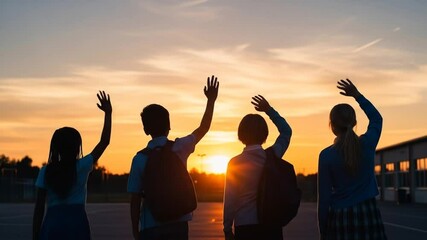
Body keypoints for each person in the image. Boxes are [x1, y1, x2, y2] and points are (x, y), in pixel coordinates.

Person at [128, 75, 219, 240]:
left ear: (145, 129)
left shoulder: (140, 159)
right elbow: (204, 127)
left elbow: (135, 200)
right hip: (178, 224)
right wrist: (211, 100)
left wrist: (136, 231)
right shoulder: (179, 148)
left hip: (151, 226)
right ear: (169, 126)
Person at [32, 91, 112, 240]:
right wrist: (108, 114)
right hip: (76, 222)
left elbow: (39, 208)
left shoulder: (46, 171)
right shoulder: (82, 166)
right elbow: (104, 142)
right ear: (77, 147)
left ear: (55, 148)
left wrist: (35, 235)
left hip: (53, 223)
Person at [317, 79, 387, 239]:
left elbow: (324, 199)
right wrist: (357, 95)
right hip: (368, 214)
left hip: (341, 219)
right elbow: (377, 119)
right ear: (354, 123)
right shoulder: (367, 143)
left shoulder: (326, 155)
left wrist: (323, 231)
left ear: (332, 126)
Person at [223, 95, 292, 240]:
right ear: (265, 134)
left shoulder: (235, 163)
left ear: (240, 134)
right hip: (271, 224)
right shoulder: (273, 155)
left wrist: (227, 228)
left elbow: (230, 199)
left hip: (244, 225)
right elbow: (286, 131)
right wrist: (269, 110)